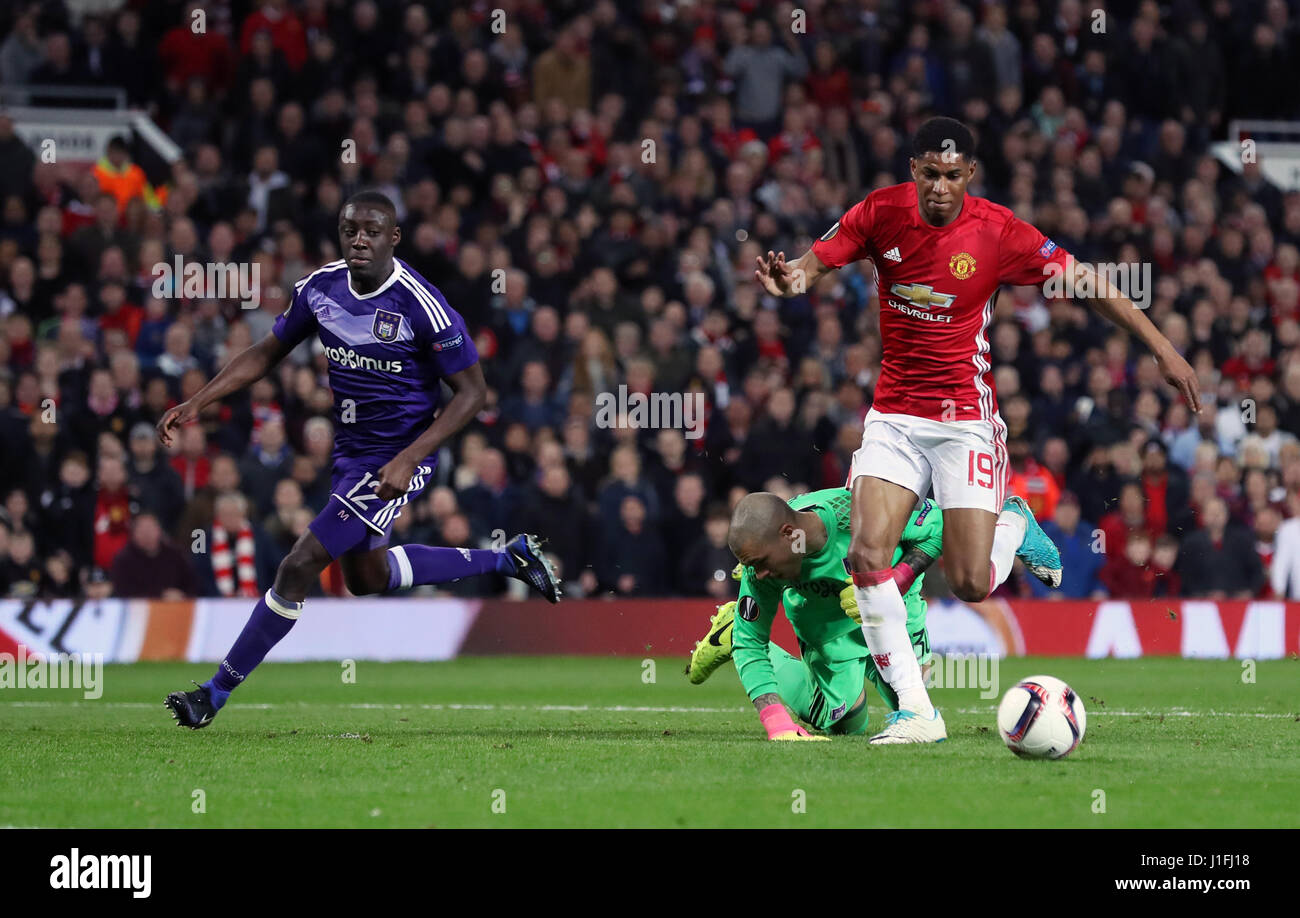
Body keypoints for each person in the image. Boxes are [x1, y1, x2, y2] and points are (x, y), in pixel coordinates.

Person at [755, 117, 1200, 743]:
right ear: (913, 171)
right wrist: (786, 282)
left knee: (968, 583)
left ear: (970, 175)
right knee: (866, 556)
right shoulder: (878, 214)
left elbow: (1086, 282)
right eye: (930, 174)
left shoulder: (998, 232)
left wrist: (1161, 348)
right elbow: (808, 268)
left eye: (952, 175)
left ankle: (1012, 522)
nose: (941, 186)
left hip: (965, 420)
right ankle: (918, 714)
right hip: (895, 417)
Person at [160, 191, 561, 729]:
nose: (359, 240)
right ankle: (508, 559)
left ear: (393, 238)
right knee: (366, 577)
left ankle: (214, 693)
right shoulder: (320, 289)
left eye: (372, 231)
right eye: (350, 230)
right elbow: (265, 352)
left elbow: (472, 394)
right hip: (353, 454)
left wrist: (409, 459)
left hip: (402, 453)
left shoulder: (423, 305)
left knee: (299, 563)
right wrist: (198, 401)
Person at [687, 488, 1039, 740]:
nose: (757, 574)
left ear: (789, 534)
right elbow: (753, 644)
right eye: (752, 567)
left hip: (891, 611)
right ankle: (730, 629)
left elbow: (936, 529)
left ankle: (1014, 524)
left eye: (761, 564)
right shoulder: (759, 566)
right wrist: (776, 723)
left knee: (912, 698)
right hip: (826, 627)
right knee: (843, 724)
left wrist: (892, 584)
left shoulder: (857, 513)